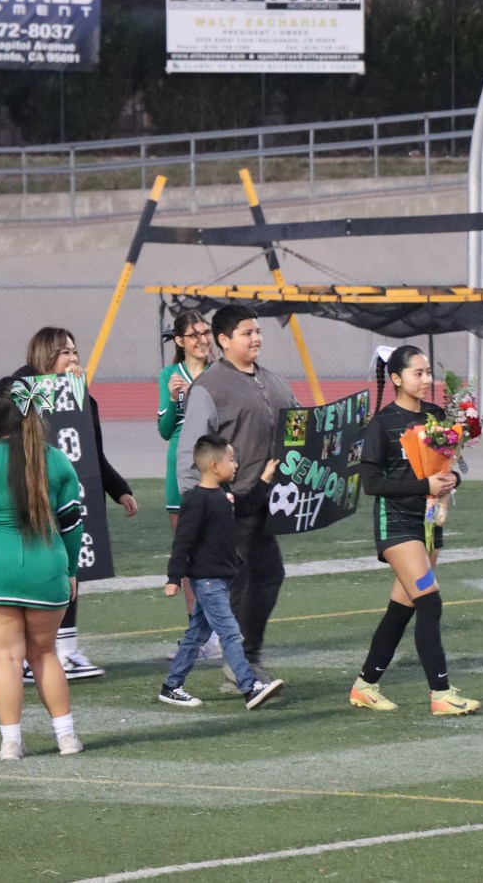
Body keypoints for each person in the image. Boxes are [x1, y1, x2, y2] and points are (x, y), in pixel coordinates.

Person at [0, 377, 85, 759]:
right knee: (44, 654)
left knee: (7, 658)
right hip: (47, 564)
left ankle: (10, 742)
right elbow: (72, 523)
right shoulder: (57, 459)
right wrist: (72, 569)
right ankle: (66, 738)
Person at [349, 345, 480, 717]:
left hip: (428, 523)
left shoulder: (437, 416)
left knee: (400, 609)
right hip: (397, 525)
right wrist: (424, 485)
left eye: (427, 372)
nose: (426, 380)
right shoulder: (382, 424)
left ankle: (364, 685)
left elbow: (451, 467)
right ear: (396, 379)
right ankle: (440, 693)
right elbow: (371, 483)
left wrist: (452, 478)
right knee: (430, 601)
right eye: (417, 373)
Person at [176, 304, 298, 686]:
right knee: (237, 583)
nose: (256, 338)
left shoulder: (276, 381)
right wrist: (200, 501)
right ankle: (237, 666)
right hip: (230, 505)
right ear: (224, 340)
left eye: (258, 331)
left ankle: (246, 658)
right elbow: (191, 451)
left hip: (268, 503)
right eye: (246, 333)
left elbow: (300, 433)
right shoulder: (209, 386)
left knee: (269, 576)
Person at [17, 326, 138, 681]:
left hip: (68, 497)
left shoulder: (78, 394)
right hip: (34, 498)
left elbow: (89, 452)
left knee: (71, 569)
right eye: (65, 352)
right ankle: (32, 654)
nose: (73, 358)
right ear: (45, 354)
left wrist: (119, 489)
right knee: (42, 573)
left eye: (74, 351)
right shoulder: (21, 388)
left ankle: (65, 650)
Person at [159, 434, 285, 710]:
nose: (236, 464)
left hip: (220, 578)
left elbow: (247, 505)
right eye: (230, 459)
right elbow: (183, 541)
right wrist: (174, 577)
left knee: (196, 634)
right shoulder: (196, 500)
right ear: (214, 466)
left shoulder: (224, 493)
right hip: (206, 581)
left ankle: (171, 686)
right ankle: (249, 687)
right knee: (230, 632)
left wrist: (264, 478)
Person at [157, 310, 221, 661]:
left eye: (206, 333)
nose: (202, 340)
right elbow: (165, 431)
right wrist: (171, 399)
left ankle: (225, 629)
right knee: (188, 554)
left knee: (221, 550)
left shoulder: (220, 373)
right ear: (180, 341)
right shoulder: (169, 374)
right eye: (194, 335)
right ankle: (200, 636)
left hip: (215, 467)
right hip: (179, 468)